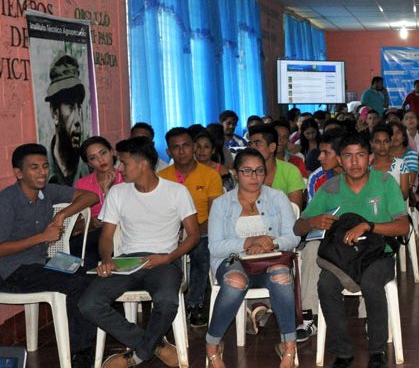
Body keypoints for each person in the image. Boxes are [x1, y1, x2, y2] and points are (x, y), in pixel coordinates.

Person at [79, 136, 201, 368]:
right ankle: (155, 346)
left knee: (166, 302)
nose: (119, 169)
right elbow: (106, 236)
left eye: (124, 163)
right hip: (126, 261)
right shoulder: (118, 193)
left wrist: (167, 258)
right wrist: (107, 260)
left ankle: (134, 357)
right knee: (89, 304)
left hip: (165, 261)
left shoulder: (176, 192)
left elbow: (193, 236)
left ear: (143, 163)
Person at [297, 132, 411, 368]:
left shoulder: (384, 182)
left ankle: (377, 350)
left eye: (360, 155)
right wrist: (312, 221)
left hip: (380, 253)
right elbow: (298, 226)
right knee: (326, 284)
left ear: (370, 158)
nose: (355, 162)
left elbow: (403, 225)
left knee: (371, 282)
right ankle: (343, 352)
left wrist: (368, 226)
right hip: (343, 257)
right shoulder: (330, 188)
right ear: (340, 160)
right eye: (348, 156)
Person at [0, 143, 99, 368]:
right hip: (12, 271)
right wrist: (42, 237)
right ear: (19, 173)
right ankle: (81, 353)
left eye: (45, 166)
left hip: (43, 263)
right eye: (34, 168)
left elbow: (90, 197)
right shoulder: (6, 202)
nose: (42, 172)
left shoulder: (47, 192)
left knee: (90, 273)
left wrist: (63, 213)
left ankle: (92, 343)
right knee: (76, 283)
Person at [205, 149, 301, 368]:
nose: (254, 176)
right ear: (236, 174)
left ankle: (288, 345)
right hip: (231, 259)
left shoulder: (277, 198)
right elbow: (215, 246)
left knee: (282, 276)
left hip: (269, 259)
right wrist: (248, 243)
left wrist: (271, 243)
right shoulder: (221, 204)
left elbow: (293, 237)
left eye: (259, 171)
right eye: (247, 171)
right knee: (235, 281)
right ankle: (212, 343)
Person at [158, 127, 224, 328]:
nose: (182, 151)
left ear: (193, 147)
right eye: (175, 148)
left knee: (201, 253)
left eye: (186, 145)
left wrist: (194, 234)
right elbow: (158, 213)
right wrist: (175, 235)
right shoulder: (161, 177)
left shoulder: (210, 175)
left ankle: (194, 306)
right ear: (169, 152)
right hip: (170, 233)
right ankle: (168, 307)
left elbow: (215, 214)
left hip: (202, 230)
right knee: (168, 257)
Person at [296, 128, 346, 343]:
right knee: (310, 250)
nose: (319, 157)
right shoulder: (318, 178)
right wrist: (315, 222)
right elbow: (310, 219)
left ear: (342, 155)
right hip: (327, 236)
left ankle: (367, 317)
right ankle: (309, 316)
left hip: (358, 237)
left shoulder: (364, 174)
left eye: (326, 153)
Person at [74, 137, 124, 268]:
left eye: (103, 153)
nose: (101, 160)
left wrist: (107, 190)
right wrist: (90, 223)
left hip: (121, 232)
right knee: (85, 255)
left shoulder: (125, 178)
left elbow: (124, 213)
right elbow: (77, 221)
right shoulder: (82, 184)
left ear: (112, 152)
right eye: (93, 158)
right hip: (92, 234)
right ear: (89, 164)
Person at [44, 54, 90, 185]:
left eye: (79, 106)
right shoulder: (41, 172)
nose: (78, 120)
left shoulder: (90, 168)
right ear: (54, 113)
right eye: (70, 106)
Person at [247, 124, 306, 208]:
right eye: (250, 144)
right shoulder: (246, 172)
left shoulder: (291, 171)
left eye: (257, 143)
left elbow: (294, 210)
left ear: (272, 147)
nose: (252, 148)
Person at [370, 125, 414, 200]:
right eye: (378, 142)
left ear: (390, 143)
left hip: (397, 209)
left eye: (386, 141)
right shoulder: (367, 167)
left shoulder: (400, 165)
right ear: (371, 143)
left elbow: (404, 195)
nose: (382, 145)